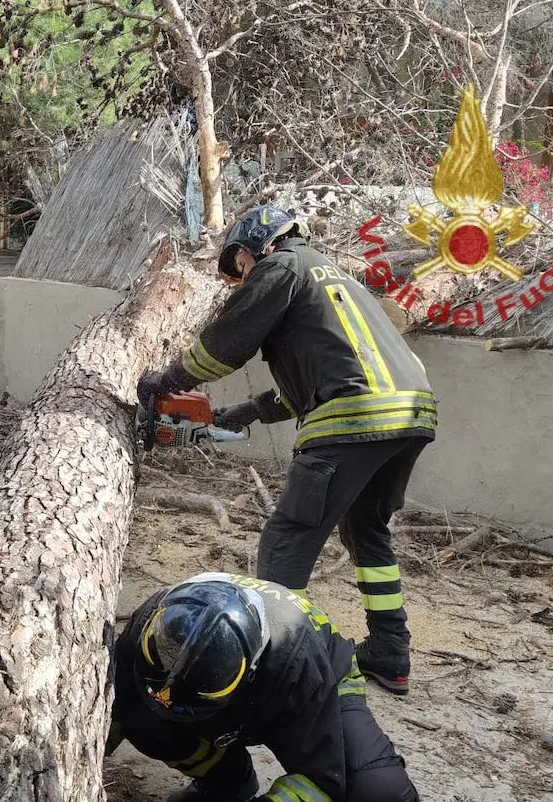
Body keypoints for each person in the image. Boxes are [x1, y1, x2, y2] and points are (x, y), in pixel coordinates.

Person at [135, 205, 437, 695]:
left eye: (242, 268)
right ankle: (390, 652)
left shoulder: (280, 267)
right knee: (368, 532)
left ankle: (280, 662)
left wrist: (167, 380)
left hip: (352, 418)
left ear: (260, 245)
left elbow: (225, 346)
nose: (242, 280)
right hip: (412, 416)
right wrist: (244, 412)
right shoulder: (336, 282)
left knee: (287, 538)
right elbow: (310, 382)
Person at [107, 572, 419, 802]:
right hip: (240, 690)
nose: (167, 700)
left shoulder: (298, 666)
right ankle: (227, 784)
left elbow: (321, 780)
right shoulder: (152, 625)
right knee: (143, 716)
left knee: (378, 789)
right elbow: (110, 711)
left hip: (325, 677)